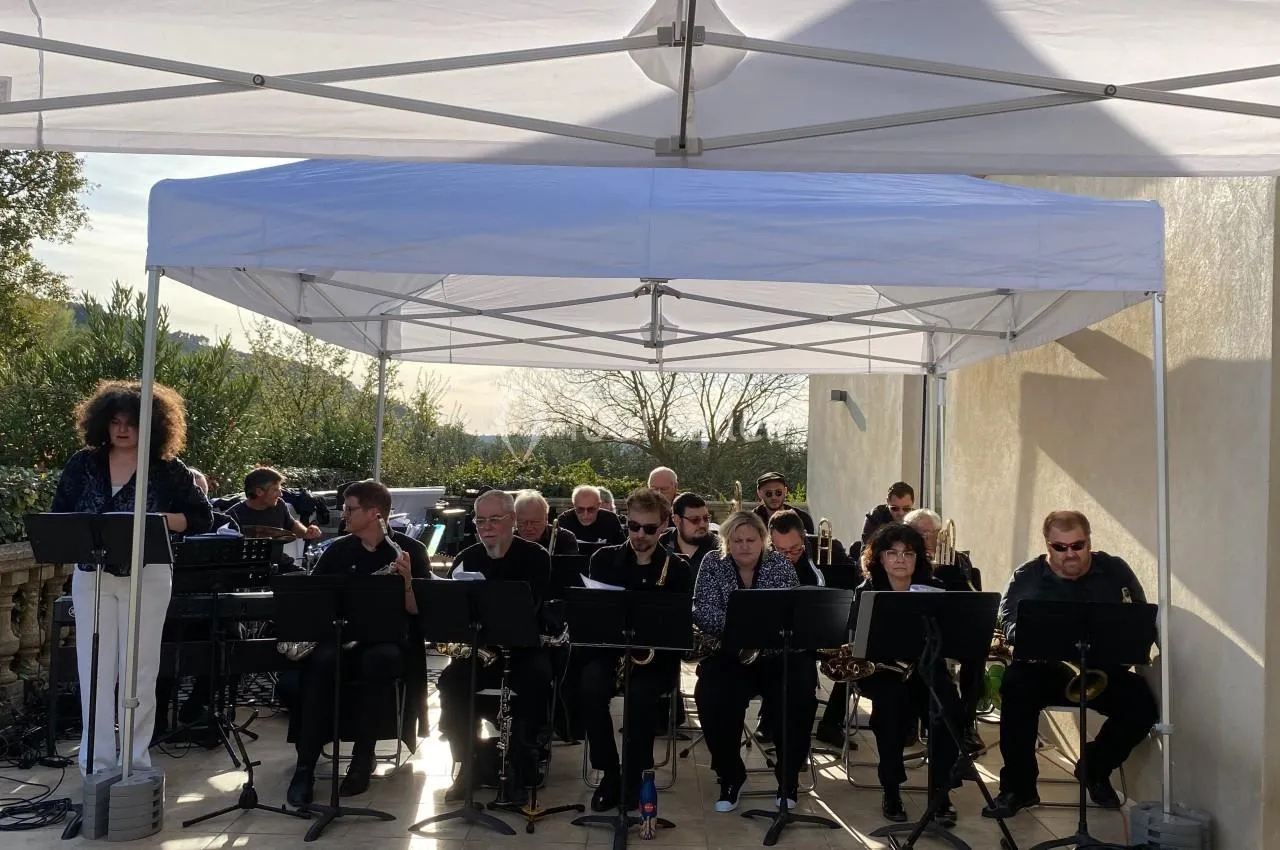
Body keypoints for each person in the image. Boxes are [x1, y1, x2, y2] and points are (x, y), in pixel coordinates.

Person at [50, 379, 212, 775]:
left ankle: (134, 761)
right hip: (93, 575)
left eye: (132, 422)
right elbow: (59, 515)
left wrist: (158, 521)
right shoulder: (83, 463)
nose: (122, 429)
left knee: (140, 669)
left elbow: (201, 517)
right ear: (102, 422)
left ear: (152, 425)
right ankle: (95, 762)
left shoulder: (168, 468)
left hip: (148, 575)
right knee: (95, 669)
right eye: (115, 421)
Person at [982, 511, 1157, 819]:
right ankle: (1018, 788)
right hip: (1047, 670)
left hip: (1101, 670)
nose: (1071, 553)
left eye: (1078, 545)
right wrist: (1033, 636)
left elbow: (1138, 615)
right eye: (1060, 547)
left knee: (1141, 705)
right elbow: (1007, 621)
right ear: (1047, 545)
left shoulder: (1114, 570)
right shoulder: (1028, 576)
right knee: (1016, 688)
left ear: (1089, 541)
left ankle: (1094, 768)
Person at [285, 479, 430, 807]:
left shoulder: (410, 551)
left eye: (350, 509)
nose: (344, 515)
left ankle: (363, 759)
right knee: (322, 663)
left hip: (388, 640)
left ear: (375, 513)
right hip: (342, 638)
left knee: (378, 661)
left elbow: (419, 611)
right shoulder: (339, 550)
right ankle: (305, 766)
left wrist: (407, 582)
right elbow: (314, 600)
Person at [692, 512, 817, 813]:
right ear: (726, 542)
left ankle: (788, 779)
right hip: (729, 654)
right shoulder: (712, 562)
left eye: (751, 539)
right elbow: (703, 612)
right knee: (711, 695)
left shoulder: (780, 564)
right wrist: (749, 625)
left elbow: (790, 615)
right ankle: (730, 775)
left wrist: (741, 623)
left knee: (801, 691)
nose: (744, 546)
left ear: (763, 540)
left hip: (776, 654)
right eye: (737, 540)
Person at [437, 489, 555, 801]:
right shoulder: (467, 557)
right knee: (451, 682)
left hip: (523, 649)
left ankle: (518, 765)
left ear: (512, 520)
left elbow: (531, 608)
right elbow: (451, 609)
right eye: (480, 521)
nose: (486, 527)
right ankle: (469, 762)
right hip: (479, 650)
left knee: (536, 680)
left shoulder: (535, 556)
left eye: (494, 519)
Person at [579, 488, 692, 812]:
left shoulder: (677, 568)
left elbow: (678, 631)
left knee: (641, 698)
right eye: (633, 526)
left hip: (655, 659)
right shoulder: (604, 560)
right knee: (589, 688)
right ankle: (609, 772)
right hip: (612, 653)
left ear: (664, 526)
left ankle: (634, 776)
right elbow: (594, 617)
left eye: (649, 528)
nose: (640, 534)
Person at [854, 523, 963, 827]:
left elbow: (952, 636)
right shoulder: (868, 591)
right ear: (880, 558)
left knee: (949, 712)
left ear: (918, 558)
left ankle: (940, 791)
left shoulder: (935, 589)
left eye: (908, 553)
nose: (900, 559)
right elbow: (859, 643)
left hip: (926, 668)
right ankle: (891, 789)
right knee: (890, 712)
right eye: (892, 553)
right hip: (882, 671)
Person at [904, 508, 986, 754]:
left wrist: (952, 578)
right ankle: (913, 721)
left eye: (934, 533)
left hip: (949, 631)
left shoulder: (958, 560)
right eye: (922, 533)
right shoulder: (905, 556)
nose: (929, 538)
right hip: (916, 633)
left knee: (976, 654)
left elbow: (973, 602)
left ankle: (966, 722)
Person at [228, 466, 322, 542]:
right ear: (259, 492)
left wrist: (306, 532)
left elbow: (292, 525)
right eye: (275, 490)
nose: (281, 494)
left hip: (277, 558)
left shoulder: (280, 505)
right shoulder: (232, 516)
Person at [658, 492, 718, 576]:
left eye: (706, 518)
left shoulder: (719, 547)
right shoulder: (661, 543)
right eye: (695, 520)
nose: (702, 524)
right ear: (677, 520)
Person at [514, 489, 579, 554]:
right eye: (522, 522)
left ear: (546, 519)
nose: (529, 528)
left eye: (535, 522)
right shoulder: (509, 539)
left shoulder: (565, 539)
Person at [556, 485, 626, 545]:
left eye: (591, 509)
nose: (585, 515)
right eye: (580, 510)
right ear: (574, 505)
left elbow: (622, 550)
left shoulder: (610, 519)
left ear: (598, 506)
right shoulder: (565, 520)